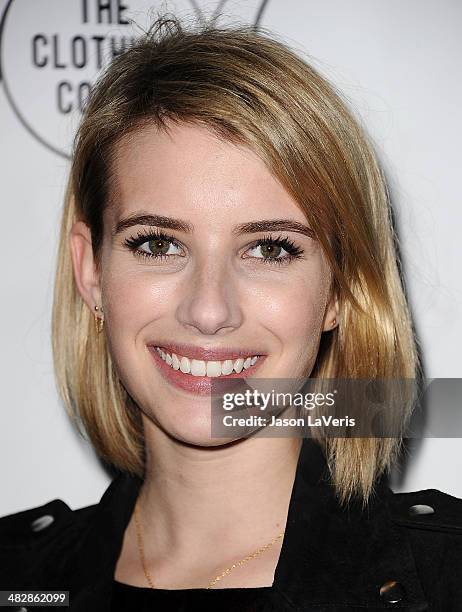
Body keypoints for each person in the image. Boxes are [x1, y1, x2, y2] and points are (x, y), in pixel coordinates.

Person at [1, 13, 462, 612]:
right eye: (158, 244)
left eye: (270, 249)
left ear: (340, 292)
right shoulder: (18, 576)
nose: (209, 310)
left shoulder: (445, 578)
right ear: (91, 272)